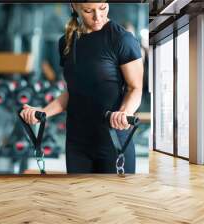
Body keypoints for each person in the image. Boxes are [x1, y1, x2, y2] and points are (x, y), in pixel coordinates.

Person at [20, 3, 143, 174]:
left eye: (102, 8)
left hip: (112, 141)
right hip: (77, 144)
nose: (97, 16)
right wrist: (43, 113)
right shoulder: (66, 42)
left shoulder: (122, 39)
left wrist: (125, 112)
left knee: (114, 199)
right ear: (74, 7)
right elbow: (73, 92)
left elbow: (135, 88)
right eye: (88, 11)